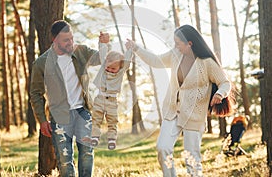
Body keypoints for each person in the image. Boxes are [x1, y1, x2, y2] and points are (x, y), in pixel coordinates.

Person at [126, 24, 233, 177]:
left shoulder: (207, 62)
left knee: (192, 159)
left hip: (194, 115)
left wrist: (219, 94)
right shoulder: (175, 55)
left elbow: (224, 82)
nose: (176, 46)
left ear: (189, 43)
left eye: (178, 43)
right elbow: (156, 61)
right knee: (163, 148)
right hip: (172, 111)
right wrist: (136, 48)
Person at [30, 20, 109, 177]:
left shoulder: (80, 51)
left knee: (87, 153)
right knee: (65, 160)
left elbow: (101, 59)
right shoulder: (41, 63)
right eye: (66, 40)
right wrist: (42, 120)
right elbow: (35, 93)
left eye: (72, 38)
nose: (71, 43)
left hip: (83, 111)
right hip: (59, 116)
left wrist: (104, 44)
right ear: (55, 40)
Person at [90, 42, 132, 150]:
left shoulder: (120, 72)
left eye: (113, 69)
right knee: (96, 119)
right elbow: (102, 53)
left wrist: (129, 50)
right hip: (99, 98)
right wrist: (103, 42)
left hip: (112, 101)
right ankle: (94, 137)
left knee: (112, 121)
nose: (109, 70)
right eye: (108, 67)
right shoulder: (104, 68)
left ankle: (112, 139)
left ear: (119, 68)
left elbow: (126, 62)